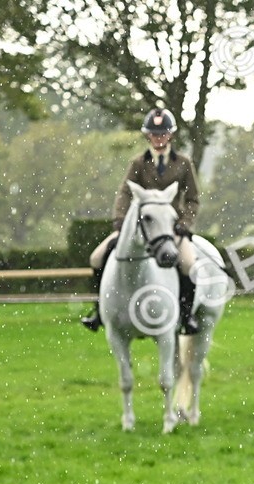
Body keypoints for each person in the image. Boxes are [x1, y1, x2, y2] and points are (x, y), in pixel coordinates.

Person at [83, 107, 202, 334]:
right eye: (154, 134)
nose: (159, 138)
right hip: (141, 227)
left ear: (171, 135)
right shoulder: (138, 163)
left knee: (187, 263)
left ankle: (186, 315)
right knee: (97, 258)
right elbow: (124, 193)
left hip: (171, 228)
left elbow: (193, 199)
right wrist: (120, 219)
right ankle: (99, 310)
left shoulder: (184, 163)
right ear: (148, 136)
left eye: (163, 133)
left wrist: (184, 224)